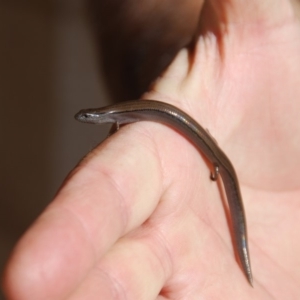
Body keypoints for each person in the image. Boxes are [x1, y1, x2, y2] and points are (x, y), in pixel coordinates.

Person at [3, 1, 300, 298]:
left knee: (220, 167)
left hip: (215, 157)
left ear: (98, 116)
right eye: (86, 117)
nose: (85, 119)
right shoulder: (115, 115)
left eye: (87, 117)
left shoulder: (115, 116)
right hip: (213, 155)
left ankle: (243, 253)